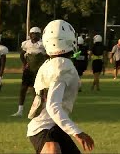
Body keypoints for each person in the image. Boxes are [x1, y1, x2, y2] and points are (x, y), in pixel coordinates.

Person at [27, 19, 94, 153]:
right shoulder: (62, 66)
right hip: (45, 128)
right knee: (53, 150)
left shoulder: (49, 64)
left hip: (53, 127)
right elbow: (53, 105)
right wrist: (77, 133)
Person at [11, 27, 47, 117]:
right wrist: (24, 63)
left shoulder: (43, 44)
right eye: (32, 33)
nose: (34, 35)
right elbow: (22, 54)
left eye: (36, 33)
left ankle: (36, 110)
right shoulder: (26, 44)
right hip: (28, 70)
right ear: (30, 34)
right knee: (23, 89)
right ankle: (20, 110)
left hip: (39, 70)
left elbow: (47, 56)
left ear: (39, 35)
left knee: (37, 91)